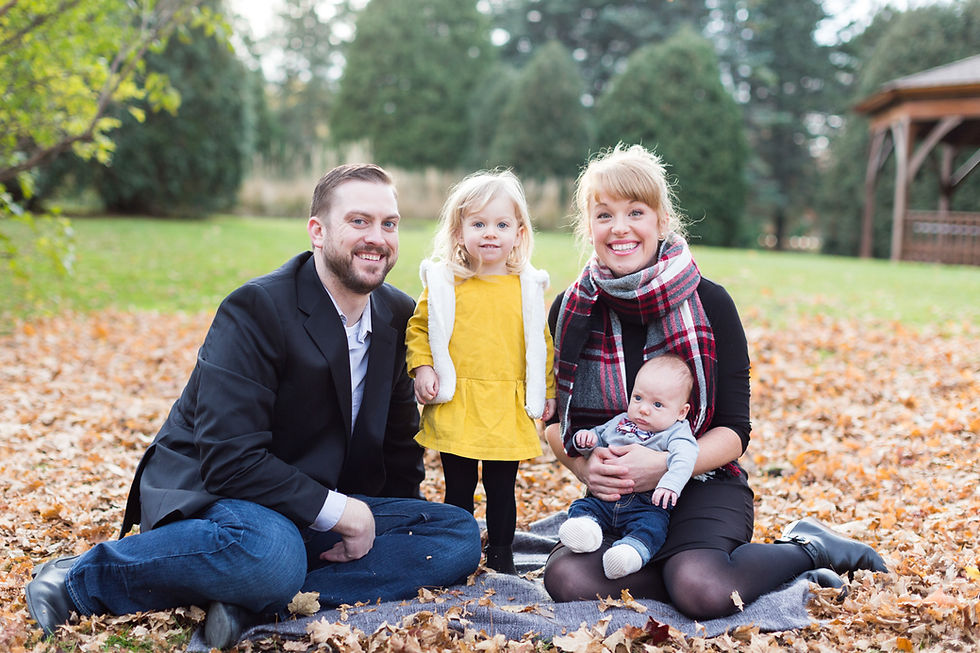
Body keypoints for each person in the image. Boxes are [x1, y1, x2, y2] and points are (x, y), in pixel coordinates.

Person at [25, 163, 482, 648]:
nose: (377, 237)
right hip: (221, 495)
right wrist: (343, 514)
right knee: (269, 553)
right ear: (317, 231)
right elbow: (229, 459)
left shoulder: (397, 314)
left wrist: (392, 527)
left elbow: (398, 448)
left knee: (456, 535)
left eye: (389, 223)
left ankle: (249, 599)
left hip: (313, 507)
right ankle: (77, 578)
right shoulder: (257, 308)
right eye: (359, 221)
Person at [543, 144, 888, 619]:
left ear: (662, 220)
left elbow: (734, 430)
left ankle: (808, 548)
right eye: (604, 215)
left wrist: (663, 464)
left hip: (702, 483)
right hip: (618, 502)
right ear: (589, 227)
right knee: (567, 578)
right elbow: (553, 421)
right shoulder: (571, 310)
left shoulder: (711, 304)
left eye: (636, 212)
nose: (620, 228)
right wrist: (585, 469)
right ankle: (670, 568)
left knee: (703, 589)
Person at [405, 170, 556, 575]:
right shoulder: (445, 283)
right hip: (459, 403)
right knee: (458, 487)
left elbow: (540, 345)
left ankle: (502, 555)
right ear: (458, 231)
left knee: (501, 488)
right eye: (479, 224)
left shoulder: (524, 287)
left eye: (502, 225)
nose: (490, 233)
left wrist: (547, 391)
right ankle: (459, 553)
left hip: (505, 406)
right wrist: (422, 366)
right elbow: (419, 328)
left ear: (518, 234)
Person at [559, 354, 698, 580]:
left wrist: (670, 484)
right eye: (638, 398)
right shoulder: (622, 421)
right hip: (604, 498)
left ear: (681, 412)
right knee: (583, 507)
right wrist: (586, 440)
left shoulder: (676, 432)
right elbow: (598, 437)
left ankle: (630, 553)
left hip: (645, 504)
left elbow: (686, 457)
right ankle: (586, 530)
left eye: (657, 404)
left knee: (653, 527)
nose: (643, 409)